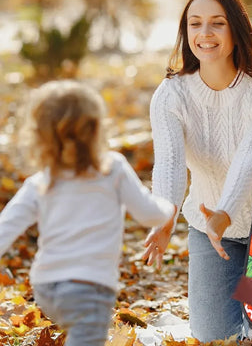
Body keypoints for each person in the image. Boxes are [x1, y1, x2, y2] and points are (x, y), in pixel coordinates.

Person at [143, 0, 252, 342]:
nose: (204, 34)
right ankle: (245, 300)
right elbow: (169, 163)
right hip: (211, 236)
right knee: (213, 335)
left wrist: (224, 213)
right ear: (185, 32)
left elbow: (250, 158)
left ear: (237, 30)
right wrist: (166, 218)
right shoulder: (172, 94)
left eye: (217, 23)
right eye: (195, 24)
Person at [0, 80, 176, 346]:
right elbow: (148, 214)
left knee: (80, 332)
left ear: (40, 137)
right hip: (90, 288)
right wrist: (168, 209)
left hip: (46, 288)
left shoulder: (41, 182)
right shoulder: (112, 170)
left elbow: (6, 227)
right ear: (96, 129)